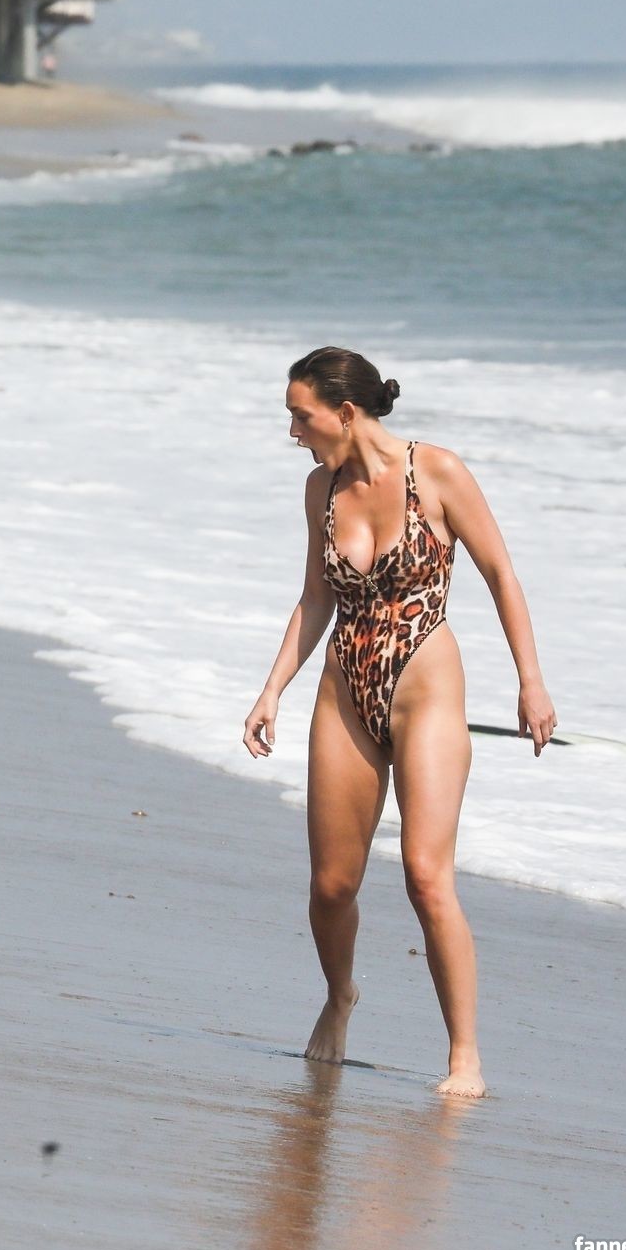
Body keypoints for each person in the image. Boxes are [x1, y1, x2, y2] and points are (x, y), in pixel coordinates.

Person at [241, 347, 556, 1098]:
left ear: (346, 412)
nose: (292, 431)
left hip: (426, 688)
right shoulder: (321, 488)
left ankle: (465, 1058)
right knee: (330, 886)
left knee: (425, 876)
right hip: (345, 687)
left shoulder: (436, 471)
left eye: (301, 416)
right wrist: (271, 690)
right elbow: (316, 597)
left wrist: (531, 681)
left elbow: (500, 573)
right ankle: (340, 996)